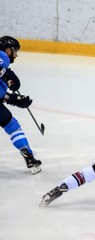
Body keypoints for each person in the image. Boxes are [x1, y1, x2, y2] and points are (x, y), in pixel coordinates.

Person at [0, 36, 42, 174]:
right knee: (13, 127)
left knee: (11, 124)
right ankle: (29, 156)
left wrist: (13, 98)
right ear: (7, 50)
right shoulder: (2, 57)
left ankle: (29, 156)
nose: (16, 55)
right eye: (14, 51)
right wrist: (12, 97)